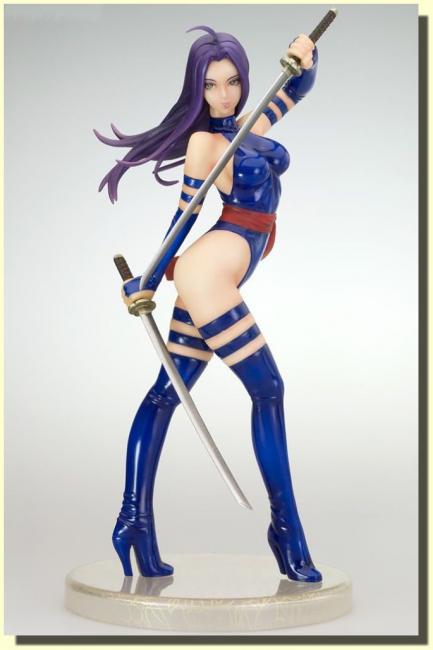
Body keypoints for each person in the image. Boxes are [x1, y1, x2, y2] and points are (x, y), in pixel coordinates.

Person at [95, 25, 321, 582]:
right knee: (269, 390)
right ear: (197, 89)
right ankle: (287, 529)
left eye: (233, 82)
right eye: (212, 85)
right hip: (209, 271)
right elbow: (184, 218)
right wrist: (147, 279)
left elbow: (295, 88)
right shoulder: (204, 145)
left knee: (163, 395)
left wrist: (306, 56)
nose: (224, 95)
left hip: (215, 271)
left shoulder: (248, 125)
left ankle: (132, 521)